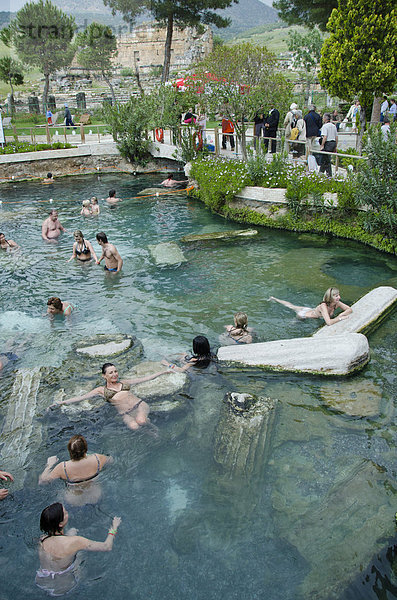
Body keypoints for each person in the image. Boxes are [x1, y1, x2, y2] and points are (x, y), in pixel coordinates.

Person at [50, 363, 169, 431]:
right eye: (111, 373)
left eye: (115, 371)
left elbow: (144, 379)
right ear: (104, 376)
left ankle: (153, 429)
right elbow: (81, 397)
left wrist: (162, 372)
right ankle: (149, 432)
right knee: (134, 427)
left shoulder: (124, 383)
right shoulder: (101, 390)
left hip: (139, 406)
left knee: (141, 421)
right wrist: (61, 403)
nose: (114, 374)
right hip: (125, 414)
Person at [36, 503, 121, 596]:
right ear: (60, 523)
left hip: (42, 581)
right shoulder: (76, 541)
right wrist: (114, 528)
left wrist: (68, 535)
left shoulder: (42, 540)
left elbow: (58, 545)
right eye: (65, 513)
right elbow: (107, 546)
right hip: (65, 586)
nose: (67, 512)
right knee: (80, 554)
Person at [39, 435, 111, 505]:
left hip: (74, 499)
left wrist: (49, 465)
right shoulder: (97, 458)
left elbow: (43, 481)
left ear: (70, 451)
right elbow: (111, 460)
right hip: (95, 495)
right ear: (85, 449)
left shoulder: (63, 467)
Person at [269, 287, 352, 325]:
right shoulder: (323, 306)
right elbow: (329, 322)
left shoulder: (336, 303)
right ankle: (274, 299)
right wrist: (340, 318)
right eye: (336, 296)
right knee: (292, 322)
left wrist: (341, 314)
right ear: (330, 297)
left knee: (292, 306)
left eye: (338, 295)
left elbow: (349, 309)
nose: (339, 297)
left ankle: (274, 299)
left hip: (309, 310)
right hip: (304, 315)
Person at [319, 113, 338, 177]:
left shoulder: (325, 126)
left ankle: (326, 174)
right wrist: (335, 146)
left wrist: (322, 145)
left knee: (325, 159)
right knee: (327, 158)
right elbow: (336, 137)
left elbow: (325, 137)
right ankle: (325, 172)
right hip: (333, 143)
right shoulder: (333, 126)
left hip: (327, 143)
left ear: (325, 119)